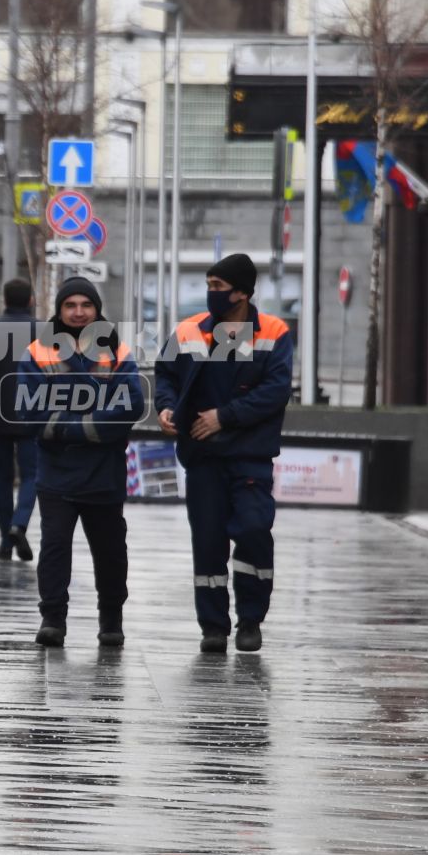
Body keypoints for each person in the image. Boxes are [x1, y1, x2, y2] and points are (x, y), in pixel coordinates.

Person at [154, 253, 293, 655]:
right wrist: (166, 406)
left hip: (249, 455)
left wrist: (223, 417)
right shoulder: (190, 330)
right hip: (203, 458)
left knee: (252, 530)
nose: (211, 293)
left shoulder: (273, 331)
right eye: (209, 285)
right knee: (209, 542)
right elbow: (166, 374)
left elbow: (275, 390)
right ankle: (214, 627)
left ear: (243, 293)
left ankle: (251, 618)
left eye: (218, 287)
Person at [14, 276, 145, 648]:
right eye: (70, 305)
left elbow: (131, 405)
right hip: (56, 474)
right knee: (54, 548)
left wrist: (70, 427)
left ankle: (111, 620)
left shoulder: (116, 351)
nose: (78, 312)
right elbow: (30, 411)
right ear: (59, 310)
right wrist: (93, 427)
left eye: (85, 305)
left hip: (104, 474)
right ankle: (52, 617)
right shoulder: (39, 352)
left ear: (96, 310)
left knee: (110, 551)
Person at [0, 277, 42, 562]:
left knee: (2, 477)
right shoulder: (43, 330)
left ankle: (5, 540)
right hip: (32, 412)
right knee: (32, 474)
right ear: (30, 299)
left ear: (4, 299)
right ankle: (20, 523)